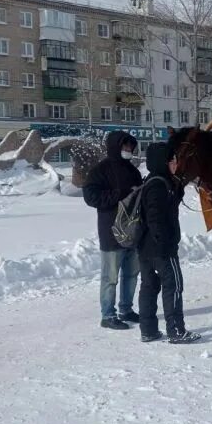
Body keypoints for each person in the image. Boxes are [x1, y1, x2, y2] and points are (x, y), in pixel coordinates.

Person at [137, 143, 199, 344]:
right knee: (173, 286)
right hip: (161, 248)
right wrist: (164, 245)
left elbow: (169, 204)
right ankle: (176, 331)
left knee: (149, 287)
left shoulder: (154, 181)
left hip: (145, 247)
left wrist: (178, 185)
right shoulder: (158, 185)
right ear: (164, 163)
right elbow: (155, 217)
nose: (176, 164)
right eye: (172, 160)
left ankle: (148, 330)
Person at [83, 131, 143, 330]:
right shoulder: (100, 171)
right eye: (124, 146)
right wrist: (118, 195)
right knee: (110, 277)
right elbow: (91, 197)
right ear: (115, 147)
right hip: (111, 232)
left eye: (130, 147)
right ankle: (108, 315)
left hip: (133, 231)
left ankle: (126, 309)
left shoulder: (133, 171)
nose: (128, 150)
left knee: (131, 274)